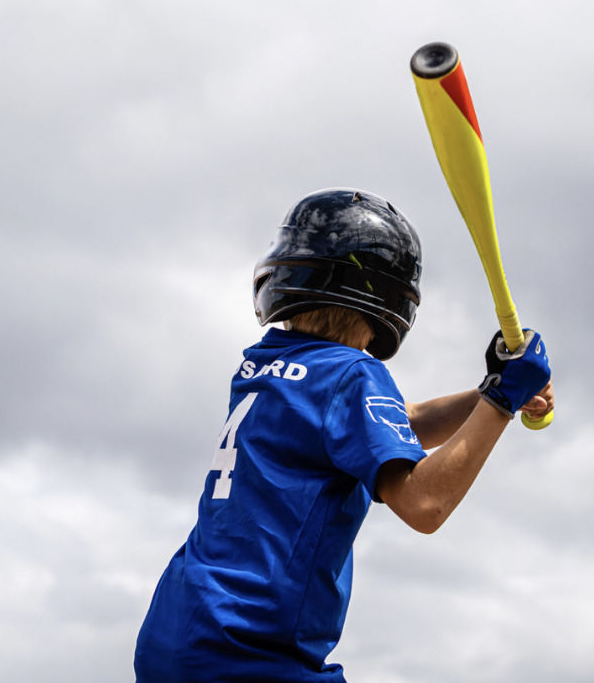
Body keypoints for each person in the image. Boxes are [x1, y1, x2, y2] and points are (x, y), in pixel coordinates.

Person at [134, 187, 554, 683]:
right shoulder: (351, 374)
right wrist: (501, 404)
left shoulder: (266, 363)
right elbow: (424, 504)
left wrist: (490, 390)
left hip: (178, 630)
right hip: (251, 649)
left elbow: (401, 421)